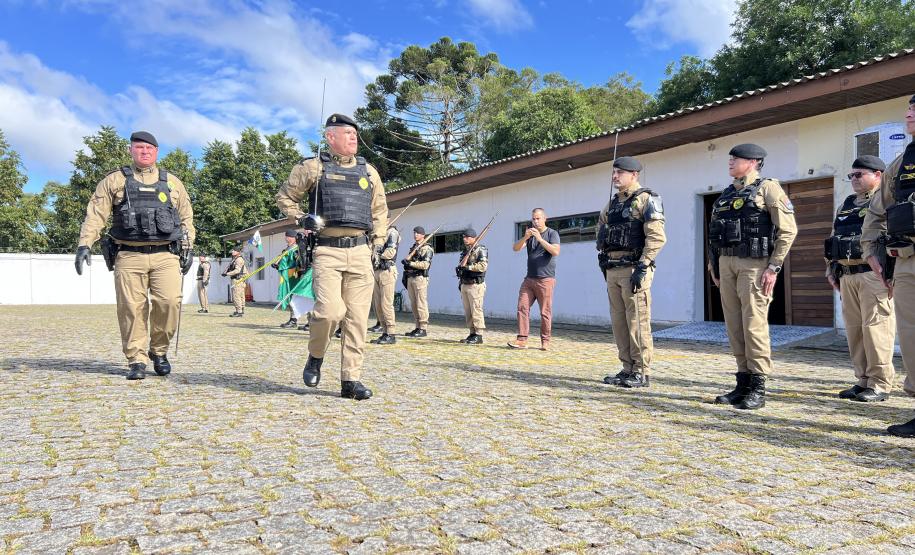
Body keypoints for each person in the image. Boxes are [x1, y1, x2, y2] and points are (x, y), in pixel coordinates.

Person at [275, 113, 388, 401]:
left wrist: (377, 243)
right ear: (330, 137)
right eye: (347, 133)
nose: (353, 138)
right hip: (327, 250)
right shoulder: (312, 168)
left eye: (355, 134)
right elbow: (285, 197)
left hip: (360, 251)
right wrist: (301, 218)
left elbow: (379, 211)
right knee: (329, 312)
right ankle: (315, 355)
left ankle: (350, 380)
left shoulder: (369, 172)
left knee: (357, 319)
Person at [74, 131, 195, 380]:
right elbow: (96, 214)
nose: (144, 152)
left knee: (170, 302)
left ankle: (159, 351)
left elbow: (186, 218)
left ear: (156, 152)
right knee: (131, 308)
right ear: (131, 150)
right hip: (128, 255)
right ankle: (136, 359)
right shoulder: (115, 180)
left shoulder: (172, 182)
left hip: (165, 255)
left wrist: (188, 247)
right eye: (139, 147)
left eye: (149, 148)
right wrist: (85, 244)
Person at [708, 143, 797, 410]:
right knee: (734, 325)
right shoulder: (726, 194)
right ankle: (742, 382)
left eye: (736, 158)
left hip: (754, 265)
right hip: (726, 264)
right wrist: (714, 267)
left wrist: (774, 267)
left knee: (753, 324)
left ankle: (758, 387)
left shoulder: (768, 188)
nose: (730, 161)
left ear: (754, 161)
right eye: (730, 158)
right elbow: (714, 234)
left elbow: (788, 230)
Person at [861, 94, 915, 436]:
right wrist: (871, 251)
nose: (909, 114)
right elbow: (877, 211)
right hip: (907, 260)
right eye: (909, 108)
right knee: (911, 336)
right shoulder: (901, 162)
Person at [826, 156, 895, 402]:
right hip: (847, 275)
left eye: (859, 174)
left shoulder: (887, 200)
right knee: (855, 332)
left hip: (873, 275)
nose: (854, 179)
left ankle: (880, 384)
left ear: (878, 175)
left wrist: (892, 274)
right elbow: (834, 238)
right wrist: (831, 269)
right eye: (851, 175)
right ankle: (863, 380)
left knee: (876, 330)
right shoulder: (846, 205)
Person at [597, 157, 666, 388]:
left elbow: (657, 237)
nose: (615, 176)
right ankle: (627, 368)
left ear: (634, 174)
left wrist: (644, 265)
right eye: (614, 172)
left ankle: (641, 371)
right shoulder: (612, 204)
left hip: (635, 268)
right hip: (613, 269)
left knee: (637, 322)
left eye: (620, 172)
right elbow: (601, 230)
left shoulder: (646, 199)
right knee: (619, 323)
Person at [508, 208, 561, 351]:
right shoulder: (530, 234)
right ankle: (522, 340)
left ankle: (545, 341)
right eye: (533, 219)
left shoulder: (552, 234)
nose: (535, 221)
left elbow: (555, 251)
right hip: (529, 279)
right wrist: (525, 237)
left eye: (538, 218)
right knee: (522, 307)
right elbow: (515, 248)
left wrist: (540, 239)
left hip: (545, 279)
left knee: (545, 312)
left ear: (545, 219)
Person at [275, 229, 315, 330]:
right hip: (292, 277)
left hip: (300, 275)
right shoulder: (288, 249)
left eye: (288, 236)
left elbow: (298, 261)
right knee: (292, 298)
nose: (286, 238)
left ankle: (311, 322)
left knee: (307, 296)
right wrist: (279, 265)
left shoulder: (298, 247)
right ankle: (294, 320)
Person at [456, 228, 489, 344]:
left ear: (474, 238)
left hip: (475, 284)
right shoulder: (465, 251)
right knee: (468, 311)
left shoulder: (481, 249)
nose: (465, 239)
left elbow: (483, 266)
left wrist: (468, 267)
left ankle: (479, 334)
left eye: (467, 237)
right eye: (464, 237)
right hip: (465, 283)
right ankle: (472, 332)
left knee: (476, 309)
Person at [370, 225, 401, 345]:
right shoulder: (378, 233)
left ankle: (391, 333)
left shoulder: (391, 232)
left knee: (386, 304)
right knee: (377, 305)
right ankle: (384, 331)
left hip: (387, 270)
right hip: (376, 270)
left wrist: (377, 253)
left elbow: (390, 252)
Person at [402, 226, 434, 338]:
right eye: (414, 233)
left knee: (421, 303)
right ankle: (417, 326)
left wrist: (410, 264)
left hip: (420, 278)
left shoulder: (427, 248)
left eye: (418, 233)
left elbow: (425, 265)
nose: (415, 235)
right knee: (414, 304)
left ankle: (423, 328)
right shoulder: (414, 247)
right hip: (411, 277)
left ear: (423, 235)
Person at [223, 245, 248, 317]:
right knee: (240, 295)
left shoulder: (238, 259)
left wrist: (227, 274)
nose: (232, 252)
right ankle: (241, 310)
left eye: (233, 251)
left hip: (237, 279)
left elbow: (237, 270)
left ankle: (239, 311)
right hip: (239, 279)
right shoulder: (236, 259)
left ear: (237, 252)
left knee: (236, 295)